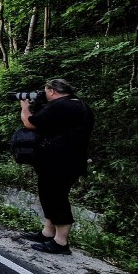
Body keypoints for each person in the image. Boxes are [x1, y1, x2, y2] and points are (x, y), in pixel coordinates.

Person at [19, 78, 94, 255]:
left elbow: (29, 123)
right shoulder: (81, 106)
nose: (44, 95)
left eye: (46, 91)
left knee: (56, 197)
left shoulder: (59, 106)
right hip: (72, 159)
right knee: (51, 195)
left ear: (52, 91)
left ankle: (60, 242)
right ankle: (48, 233)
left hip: (58, 160)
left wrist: (24, 107)